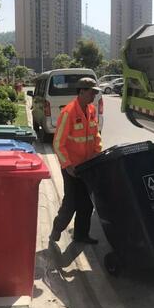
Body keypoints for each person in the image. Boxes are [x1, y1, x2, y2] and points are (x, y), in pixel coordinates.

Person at [49, 77, 102, 244]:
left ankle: (81, 235)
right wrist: (67, 165)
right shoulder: (68, 112)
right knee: (71, 203)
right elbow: (58, 143)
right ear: (81, 92)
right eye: (92, 92)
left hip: (88, 166)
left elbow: (96, 135)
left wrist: (97, 152)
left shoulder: (91, 110)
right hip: (72, 167)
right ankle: (57, 228)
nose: (94, 96)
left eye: (95, 93)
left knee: (87, 203)